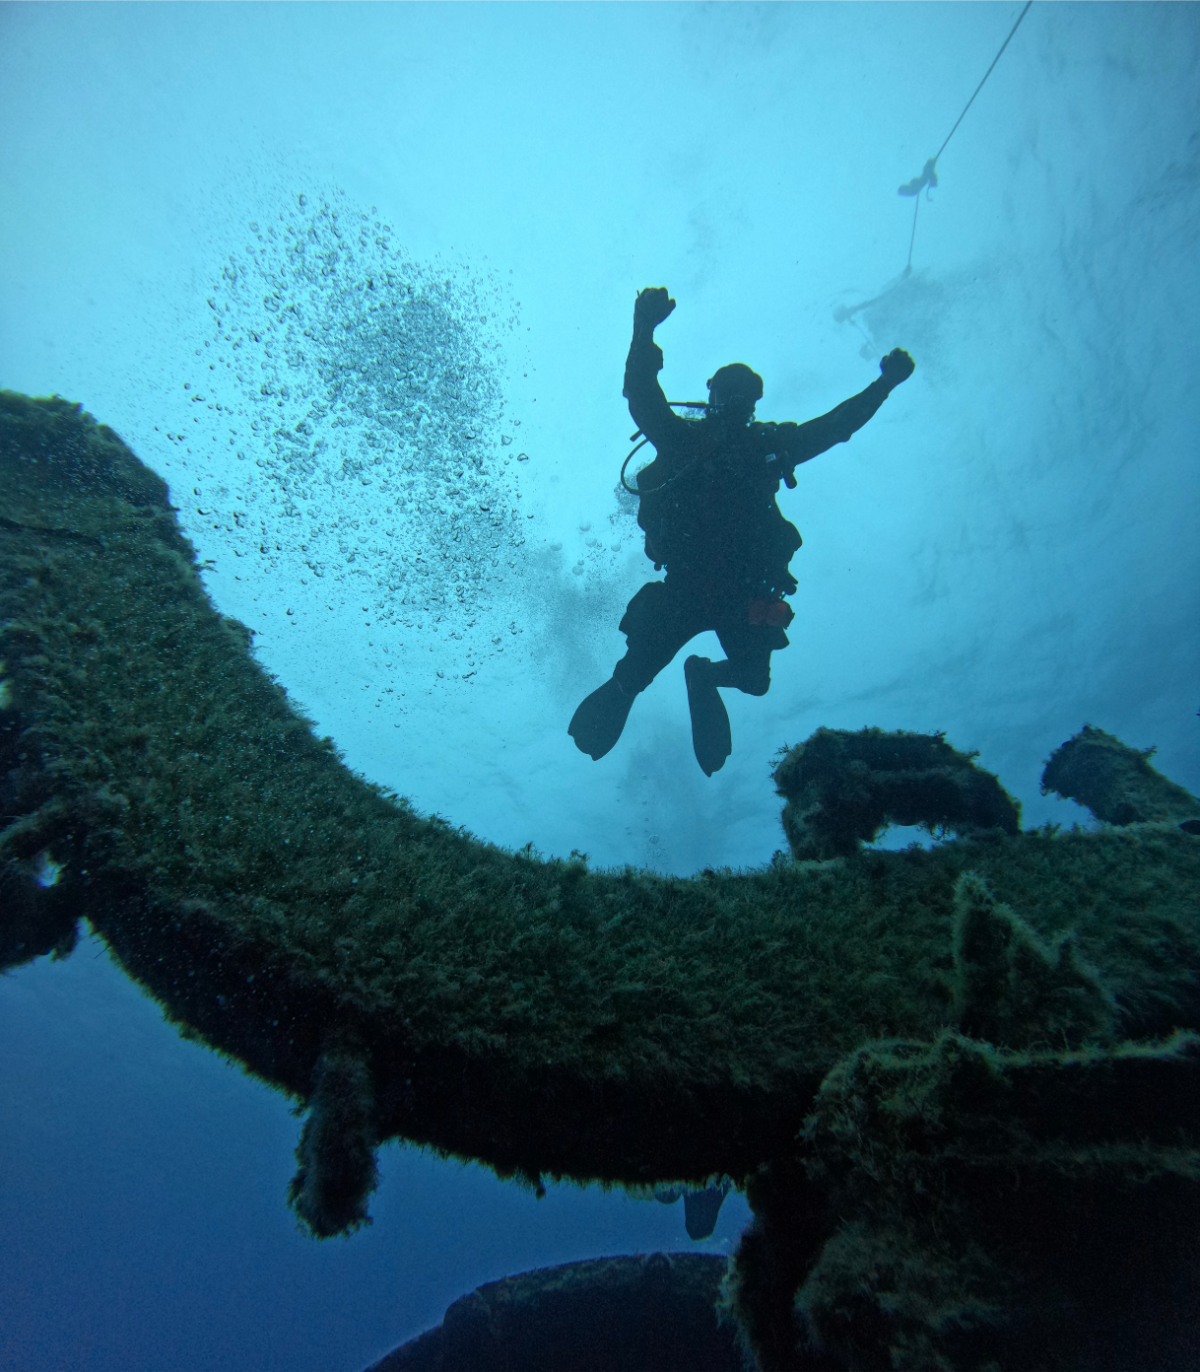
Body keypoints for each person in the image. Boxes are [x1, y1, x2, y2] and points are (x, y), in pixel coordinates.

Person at [568, 286, 915, 775]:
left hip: (746, 595)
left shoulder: (771, 447)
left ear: (755, 403)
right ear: (711, 397)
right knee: (632, 677)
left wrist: (884, 387)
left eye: (746, 394)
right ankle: (627, 691)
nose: (736, 402)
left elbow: (836, 426)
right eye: (727, 393)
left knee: (754, 680)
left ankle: (703, 677)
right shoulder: (686, 442)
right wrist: (642, 328)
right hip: (684, 588)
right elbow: (642, 397)